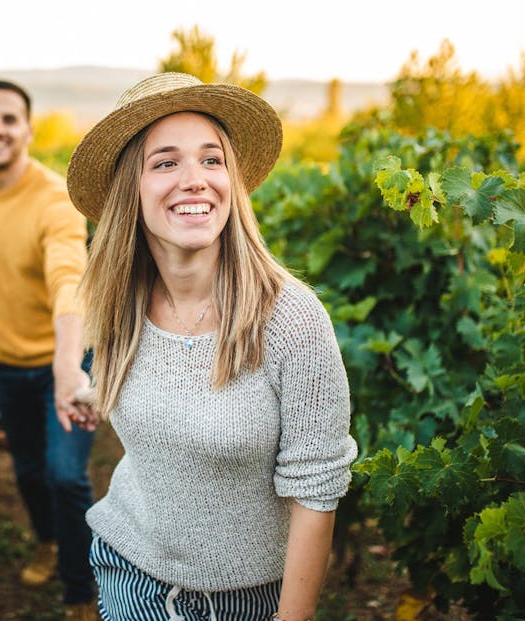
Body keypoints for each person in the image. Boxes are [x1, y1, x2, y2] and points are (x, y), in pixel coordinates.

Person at [65, 72, 358, 621]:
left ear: (233, 182)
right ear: (133, 188)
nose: (195, 179)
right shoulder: (119, 300)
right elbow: (151, 386)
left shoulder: (291, 322)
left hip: (250, 600)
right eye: (166, 162)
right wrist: (95, 396)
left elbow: (317, 491)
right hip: (130, 572)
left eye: (212, 159)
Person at [0, 79, 97, 619]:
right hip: (6, 361)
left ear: (28, 130)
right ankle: (46, 540)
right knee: (27, 472)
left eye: (9, 119)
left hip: (61, 360)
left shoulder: (54, 199)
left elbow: (70, 278)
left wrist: (68, 365)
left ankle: (81, 589)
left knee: (66, 476)